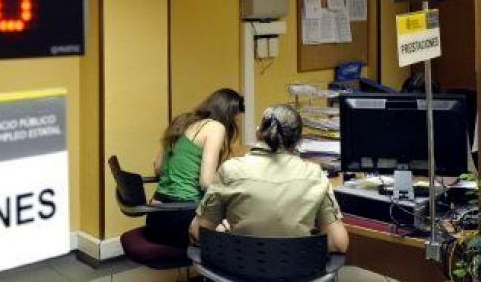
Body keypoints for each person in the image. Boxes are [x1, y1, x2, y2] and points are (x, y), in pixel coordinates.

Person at [190, 104, 349, 254]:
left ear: (258, 133)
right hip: (296, 269)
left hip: (239, 268)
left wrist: (226, 231)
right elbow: (338, 243)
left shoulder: (230, 170)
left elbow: (198, 232)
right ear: (298, 141)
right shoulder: (315, 175)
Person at [145, 88, 244, 247]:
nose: (236, 123)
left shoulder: (182, 121)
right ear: (229, 113)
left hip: (155, 218)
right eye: (236, 119)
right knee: (238, 228)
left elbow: (158, 168)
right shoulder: (215, 127)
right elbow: (206, 182)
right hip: (182, 218)